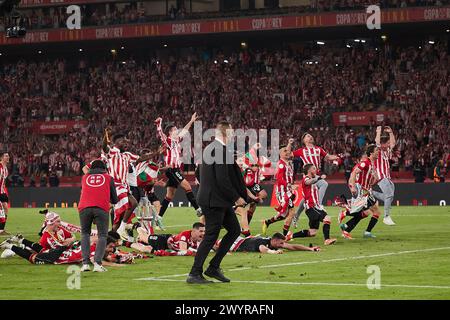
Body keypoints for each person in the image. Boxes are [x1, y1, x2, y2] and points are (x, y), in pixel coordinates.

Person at [187, 120, 247, 284]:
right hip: (214, 200)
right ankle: (194, 273)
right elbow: (222, 179)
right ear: (226, 133)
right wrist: (236, 197)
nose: (233, 135)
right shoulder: (220, 150)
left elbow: (202, 173)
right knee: (211, 236)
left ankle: (213, 267)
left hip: (216, 198)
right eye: (232, 133)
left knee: (234, 230)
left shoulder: (211, 148)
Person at [154, 113, 202, 220]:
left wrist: (191, 120)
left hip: (174, 170)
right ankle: (198, 209)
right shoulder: (169, 141)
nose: (178, 131)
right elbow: (161, 135)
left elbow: (185, 131)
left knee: (169, 196)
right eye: (175, 129)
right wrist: (159, 124)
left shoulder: (176, 141)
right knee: (188, 187)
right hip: (172, 169)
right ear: (170, 132)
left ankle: (159, 217)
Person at [291, 134, 341, 227]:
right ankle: (318, 205)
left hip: (316, 175)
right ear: (304, 140)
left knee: (306, 197)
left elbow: (328, 157)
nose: (310, 137)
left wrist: (337, 157)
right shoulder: (301, 151)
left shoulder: (318, 149)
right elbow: (290, 154)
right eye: (308, 136)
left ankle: (296, 216)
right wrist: (289, 145)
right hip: (308, 176)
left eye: (311, 136)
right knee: (324, 184)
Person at [78, 159, 118, 272]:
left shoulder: (84, 177)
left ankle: (85, 264)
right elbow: (115, 199)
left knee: (85, 234)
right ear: (104, 168)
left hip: (84, 207)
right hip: (101, 207)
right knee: (102, 236)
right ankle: (97, 264)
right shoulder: (109, 178)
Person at [339, 145, 381, 239]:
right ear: (371, 153)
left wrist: (375, 179)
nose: (378, 152)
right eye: (376, 151)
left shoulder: (372, 164)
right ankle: (346, 214)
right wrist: (353, 187)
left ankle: (346, 228)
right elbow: (354, 173)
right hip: (362, 191)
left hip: (367, 190)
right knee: (373, 211)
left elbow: (372, 181)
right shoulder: (365, 162)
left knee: (366, 213)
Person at [290, 164, 337, 245]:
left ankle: (291, 236)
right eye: (314, 168)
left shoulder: (312, 179)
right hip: (312, 207)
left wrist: (317, 178)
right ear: (309, 171)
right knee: (327, 218)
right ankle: (327, 240)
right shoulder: (306, 179)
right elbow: (310, 181)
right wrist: (318, 178)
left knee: (312, 232)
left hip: (313, 208)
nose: (316, 170)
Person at [262, 143, 296, 237]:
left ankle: (267, 222)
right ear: (279, 154)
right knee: (292, 212)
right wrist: (289, 185)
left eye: (287, 150)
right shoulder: (281, 165)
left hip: (287, 190)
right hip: (282, 191)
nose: (287, 152)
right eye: (284, 151)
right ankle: (284, 236)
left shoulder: (288, 163)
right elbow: (279, 179)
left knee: (285, 215)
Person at [372, 126, 397, 226]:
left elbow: (393, 143)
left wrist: (391, 132)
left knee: (389, 197)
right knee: (389, 195)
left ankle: (370, 193)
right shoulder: (378, 150)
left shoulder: (387, 151)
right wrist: (378, 132)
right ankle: (386, 217)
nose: (388, 145)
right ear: (382, 144)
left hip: (387, 177)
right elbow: (377, 142)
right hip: (381, 176)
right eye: (386, 143)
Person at [136, 222, 205, 255]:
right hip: (162, 240)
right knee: (143, 237)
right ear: (194, 231)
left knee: (145, 246)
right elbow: (183, 250)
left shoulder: (198, 238)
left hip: (168, 245)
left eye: (204, 231)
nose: (203, 233)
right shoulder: (185, 235)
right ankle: (137, 227)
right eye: (201, 231)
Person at [217, 232, 320, 254]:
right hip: (236, 243)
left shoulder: (274, 242)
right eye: (280, 243)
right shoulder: (263, 242)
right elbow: (262, 248)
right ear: (274, 240)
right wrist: (273, 252)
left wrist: (310, 249)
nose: (282, 245)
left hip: (242, 239)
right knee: (216, 246)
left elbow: (292, 246)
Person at [0, 152, 10, 235]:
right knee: (1, 210)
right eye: (6, 156)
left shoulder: (5, 168)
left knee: (6, 208)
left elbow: (3, 181)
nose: (8, 157)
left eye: (8, 156)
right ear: (2, 158)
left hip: (2, 191)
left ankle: (2, 229)